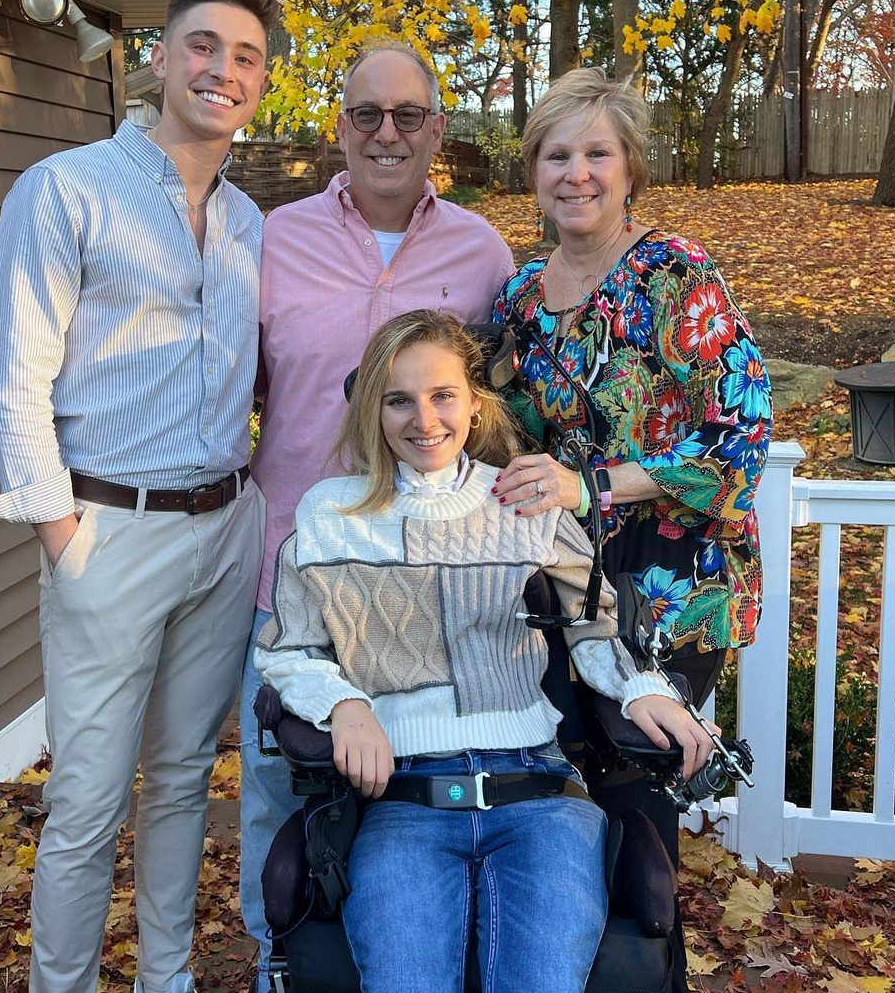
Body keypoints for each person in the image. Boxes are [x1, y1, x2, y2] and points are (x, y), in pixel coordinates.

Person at [254, 309, 715, 993]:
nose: (424, 419)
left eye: (442, 395)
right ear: (372, 412)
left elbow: (597, 626)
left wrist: (642, 687)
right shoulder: (330, 515)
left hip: (537, 793)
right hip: (402, 800)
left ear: (474, 403)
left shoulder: (520, 501)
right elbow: (288, 647)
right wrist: (346, 706)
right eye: (398, 400)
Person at [0, 0, 279, 993]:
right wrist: (61, 531)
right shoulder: (66, 190)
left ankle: (168, 978)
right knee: (89, 802)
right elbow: (11, 376)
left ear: (262, 84)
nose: (220, 70)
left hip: (224, 528)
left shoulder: (250, 224)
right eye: (203, 44)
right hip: (107, 528)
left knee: (185, 780)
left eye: (245, 57)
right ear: (159, 55)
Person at [240, 42, 515, 988]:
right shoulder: (273, 240)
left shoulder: (484, 252)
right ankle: (280, 966)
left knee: (423, 796)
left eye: (408, 115)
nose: (387, 133)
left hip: (440, 585)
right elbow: (234, 390)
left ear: (438, 127)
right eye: (367, 115)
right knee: (284, 793)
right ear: (340, 126)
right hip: (300, 571)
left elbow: (501, 411)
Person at [492, 69, 771, 993]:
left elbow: (739, 433)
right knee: (561, 794)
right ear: (532, 168)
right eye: (556, 154)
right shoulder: (520, 296)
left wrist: (593, 481)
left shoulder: (674, 272)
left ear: (629, 168)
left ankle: (653, 977)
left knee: (634, 792)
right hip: (558, 578)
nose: (575, 173)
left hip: (668, 578)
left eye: (595, 153)